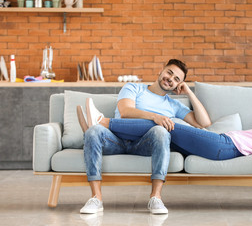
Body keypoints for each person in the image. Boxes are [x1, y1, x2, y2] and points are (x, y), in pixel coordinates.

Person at [76, 59, 211, 215]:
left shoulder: (174, 105)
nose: (170, 79)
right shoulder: (134, 88)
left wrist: (189, 92)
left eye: (176, 80)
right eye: (169, 73)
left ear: (177, 86)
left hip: (144, 145)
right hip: (116, 139)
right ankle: (96, 198)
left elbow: (204, 123)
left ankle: (156, 197)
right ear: (161, 70)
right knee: (93, 131)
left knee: (161, 131)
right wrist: (155, 117)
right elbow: (125, 112)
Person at [81, 99, 252, 172]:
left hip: (225, 146)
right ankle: (105, 135)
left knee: (169, 124)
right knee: (161, 134)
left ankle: (103, 122)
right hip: (222, 143)